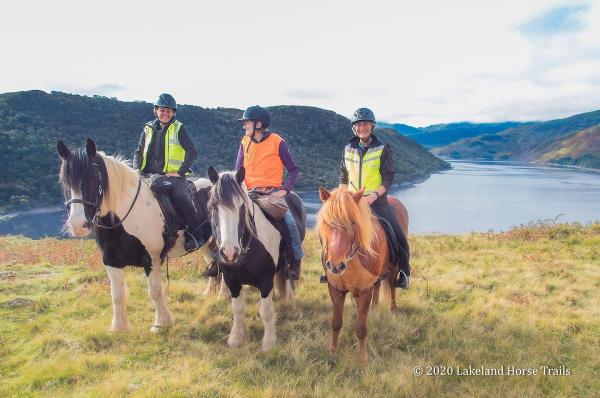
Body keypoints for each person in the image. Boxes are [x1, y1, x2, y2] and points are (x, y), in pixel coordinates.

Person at [321, 107, 410, 288]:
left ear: (372, 126)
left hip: (376, 201)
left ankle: (404, 273)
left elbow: (388, 177)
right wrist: (341, 197)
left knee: (398, 236)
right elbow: (343, 176)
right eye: (358, 125)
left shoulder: (382, 149)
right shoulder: (348, 149)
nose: (362, 128)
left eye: (365, 125)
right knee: (329, 231)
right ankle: (327, 268)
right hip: (352, 202)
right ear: (354, 128)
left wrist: (373, 196)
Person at [237, 105, 303, 279]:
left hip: (272, 193)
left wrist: (284, 190)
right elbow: (239, 171)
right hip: (249, 192)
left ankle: (294, 261)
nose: (244, 126)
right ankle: (217, 260)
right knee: (224, 216)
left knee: (290, 224)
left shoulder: (277, 141)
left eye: (247, 123)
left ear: (258, 124)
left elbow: (293, 170)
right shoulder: (244, 142)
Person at [132, 93, 204, 251]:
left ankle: (195, 234)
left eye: (169, 111)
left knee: (181, 196)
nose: (165, 114)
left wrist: (180, 172)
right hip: (147, 175)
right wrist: (136, 170)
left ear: (173, 113)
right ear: (155, 110)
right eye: (162, 110)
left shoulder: (178, 128)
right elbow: (138, 152)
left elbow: (192, 151)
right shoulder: (147, 129)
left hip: (172, 176)